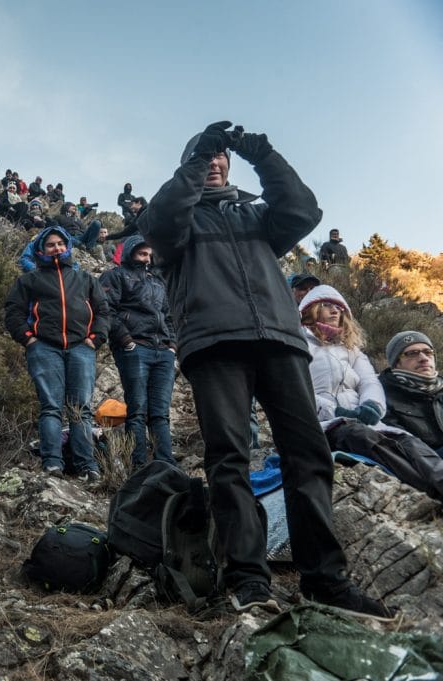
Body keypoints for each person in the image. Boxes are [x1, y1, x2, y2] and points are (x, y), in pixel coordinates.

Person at [138, 120, 392, 619]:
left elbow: (303, 210)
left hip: (279, 341)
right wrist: (196, 157)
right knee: (229, 458)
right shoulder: (176, 220)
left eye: (220, 158)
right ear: (189, 167)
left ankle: (325, 580)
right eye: (205, 157)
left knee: (309, 455)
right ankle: (248, 577)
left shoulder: (256, 217)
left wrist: (264, 154)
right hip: (214, 345)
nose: (215, 163)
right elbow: (161, 223)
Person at [299, 286, 443, 501]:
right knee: (361, 436)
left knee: (408, 441)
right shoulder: (299, 345)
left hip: (364, 419)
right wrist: (335, 411)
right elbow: (297, 389)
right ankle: (428, 493)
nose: (335, 310)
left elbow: (369, 382)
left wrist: (373, 407)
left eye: (339, 307)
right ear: (310, 310)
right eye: (327, 305)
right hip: (324, 424)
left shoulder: (352, 350)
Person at [5, 226, 109, 481]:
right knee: (51, 407)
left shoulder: (85, 279)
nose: (57, 248)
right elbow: (13, 312)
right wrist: (28, 339)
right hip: (44, 347)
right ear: (41, 249)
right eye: (51, 245)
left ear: (68, 247)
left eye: (61, 244)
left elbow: (104, 311)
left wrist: (94, 340)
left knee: (81, 409)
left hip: (81, 348)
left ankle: (87, 466)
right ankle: (52, 463)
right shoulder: (29, 279)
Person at [100, 235, 177, 471]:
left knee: (160, 412)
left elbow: (168, 314)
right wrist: (125, 340)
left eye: (149, 254)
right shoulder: (115, 276)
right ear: (130, 252)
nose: (146, 257)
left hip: (163, 351)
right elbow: (106, 309)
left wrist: (173, 345)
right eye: (142, 253)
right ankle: (139, 465)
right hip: (135, 348)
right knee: (137, 410)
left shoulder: (157, 280)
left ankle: (166, 464)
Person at [380, 331, 443, 456]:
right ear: (396, 363)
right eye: (412, 354)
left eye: (428, 352)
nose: (423, 358)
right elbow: (402, 447)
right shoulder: (382, 395)